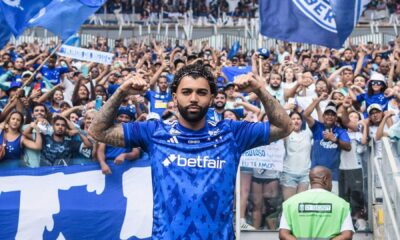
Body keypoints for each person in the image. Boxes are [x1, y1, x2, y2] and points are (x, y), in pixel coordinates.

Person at [89, 64, 293, 239]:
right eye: (186, 92)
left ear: (212, 97)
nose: (194, 98)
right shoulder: (154, 132)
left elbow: (284, 127)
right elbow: (98, 130)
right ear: (175, 96)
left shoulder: (232, 132)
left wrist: (259, 89)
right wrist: (121, 92)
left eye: (201, 92)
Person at [279, 166, 354, 240]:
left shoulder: (290, 203)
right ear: (325, 179)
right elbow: (347, 235)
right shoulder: (341, 204)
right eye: (331, 181)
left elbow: (283, 234)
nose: (331, 184)